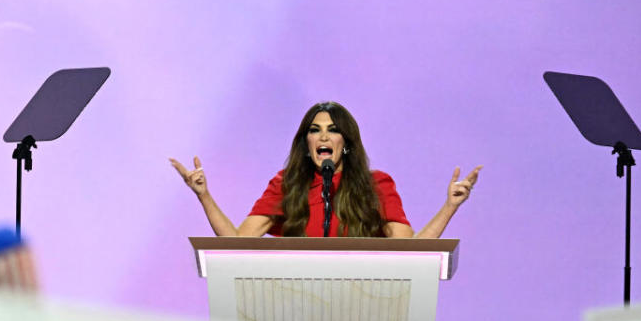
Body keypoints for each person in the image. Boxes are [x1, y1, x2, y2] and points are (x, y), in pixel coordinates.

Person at [170, 101, 481, 238]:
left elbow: (409, 252)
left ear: (345, 142)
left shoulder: (377, 185)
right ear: (305, 141)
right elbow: (239, 243)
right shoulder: (286, 184)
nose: (322, 136)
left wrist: (449, 207)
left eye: (332, 130)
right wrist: (204, 196)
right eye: (314, 130)